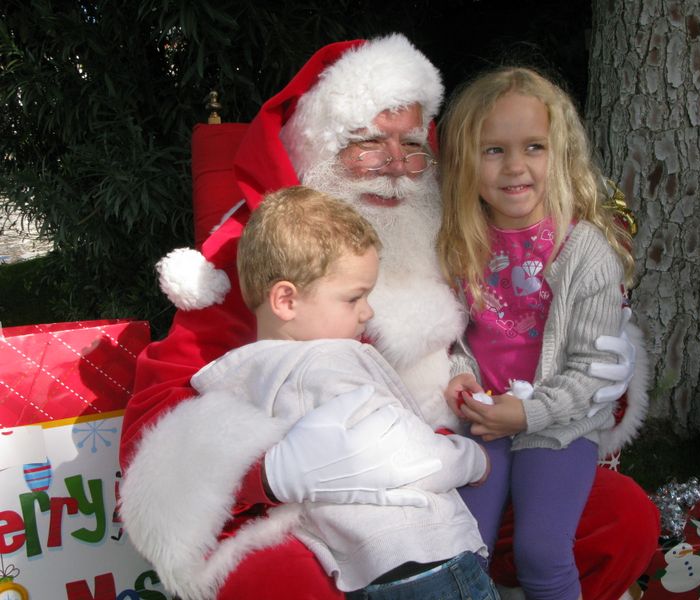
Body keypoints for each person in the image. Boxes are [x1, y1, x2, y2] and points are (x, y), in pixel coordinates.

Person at [119, 34, 659, 600]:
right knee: (273, 578)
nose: (397, 165)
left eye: (411, 144)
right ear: (316, 144)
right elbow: (157, 421)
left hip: (454, 474)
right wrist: (272, 470)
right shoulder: (260, 258)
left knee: (621, 520)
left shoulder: (449, 237)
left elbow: (523, 342)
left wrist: (607, 377)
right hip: (320, 516)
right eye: (368, 143)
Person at [190, 185, 498, 599]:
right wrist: (472, 460)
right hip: (424, 558)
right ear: (286, 299)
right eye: (354, 298)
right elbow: (398, 456)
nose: (367, 312)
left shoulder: (248, 377)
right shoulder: (326, 364)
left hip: (365, 570)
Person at [436, 66, 648, 600]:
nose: (515, 167)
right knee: (465, 546)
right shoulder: (461, 241)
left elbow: (596, 371)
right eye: (493, 150)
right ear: (465, 158)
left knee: (542, 550)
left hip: (561, 425)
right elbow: (453, 335)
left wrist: (528, 413)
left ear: (560, 154)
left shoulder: (587, 252)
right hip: (485, 419)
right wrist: (462, 377)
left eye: (534, 146)